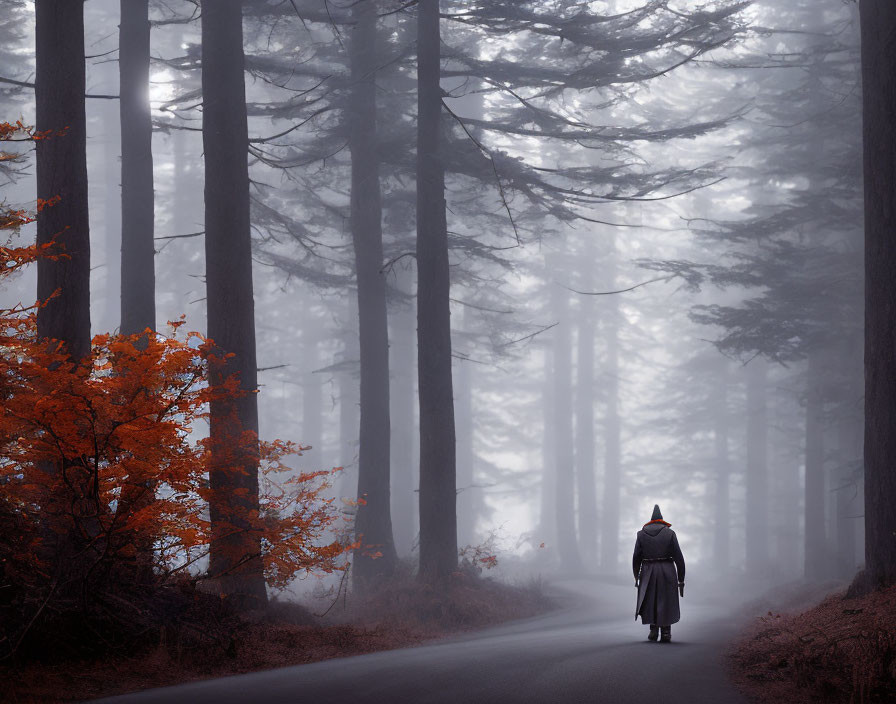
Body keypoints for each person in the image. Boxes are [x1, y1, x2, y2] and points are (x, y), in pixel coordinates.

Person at [632, 504, 686, 643]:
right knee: (666, 599)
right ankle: (666, 632)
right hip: (667, 569)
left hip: (648, 570)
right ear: (661, 520)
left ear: (651, 520)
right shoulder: (670, 533)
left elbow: (636, 557)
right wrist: (681, 580)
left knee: (650, 599)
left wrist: (636, 576)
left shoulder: (641, 534)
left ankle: (653, 630)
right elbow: (679, 558)